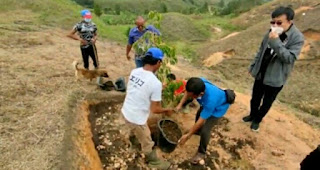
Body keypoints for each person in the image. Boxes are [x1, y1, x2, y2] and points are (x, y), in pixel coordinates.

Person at [243, 6, 304, 132]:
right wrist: (254, 66)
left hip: (276, 77)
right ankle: (252, 115)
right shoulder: (270, 31)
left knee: (267, 102)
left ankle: (257, 120)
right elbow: (261, 50)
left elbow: (289, 58)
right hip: (262, 72)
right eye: (273, 22)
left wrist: (276, 42)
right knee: (255, 98)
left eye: (279, 22)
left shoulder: (297, 38)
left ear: (290, 22)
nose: (275, 25)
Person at [121, 47, 174, 169]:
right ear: (158, 62)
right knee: (147, 141)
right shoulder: (155, 83)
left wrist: (161, 87)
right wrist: (167, 109)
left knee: (133, 130)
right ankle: (154, 163)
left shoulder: (135, 71)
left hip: (126, 111)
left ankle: (134, 145)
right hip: (137, 118)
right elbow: (155, 109)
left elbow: (143, 87)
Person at [176, 77, 230, 164]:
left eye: (192, 95)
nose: (190, 96)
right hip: (207, 102)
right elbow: (187, 92)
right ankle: (197, 131)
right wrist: (179, 105)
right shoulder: (197, 83)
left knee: (205, 130)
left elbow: (201, 121)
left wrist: (188, 135)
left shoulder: (210, 101)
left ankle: (201, 152)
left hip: (218, 108)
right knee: (198, 114)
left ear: (200, 94)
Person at [67, 10, 102, 84]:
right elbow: (70, 34)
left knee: (96, 61)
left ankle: (98, 77)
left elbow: (96, 34)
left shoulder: (93, 25)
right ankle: (88, 77)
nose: (88, 18)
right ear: (82, 17)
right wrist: (80, 39)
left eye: (89, 16)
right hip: (83, 46)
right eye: (87, 17)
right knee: (86, 63)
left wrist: (94, 39)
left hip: (92, 46)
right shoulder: (78, 25)